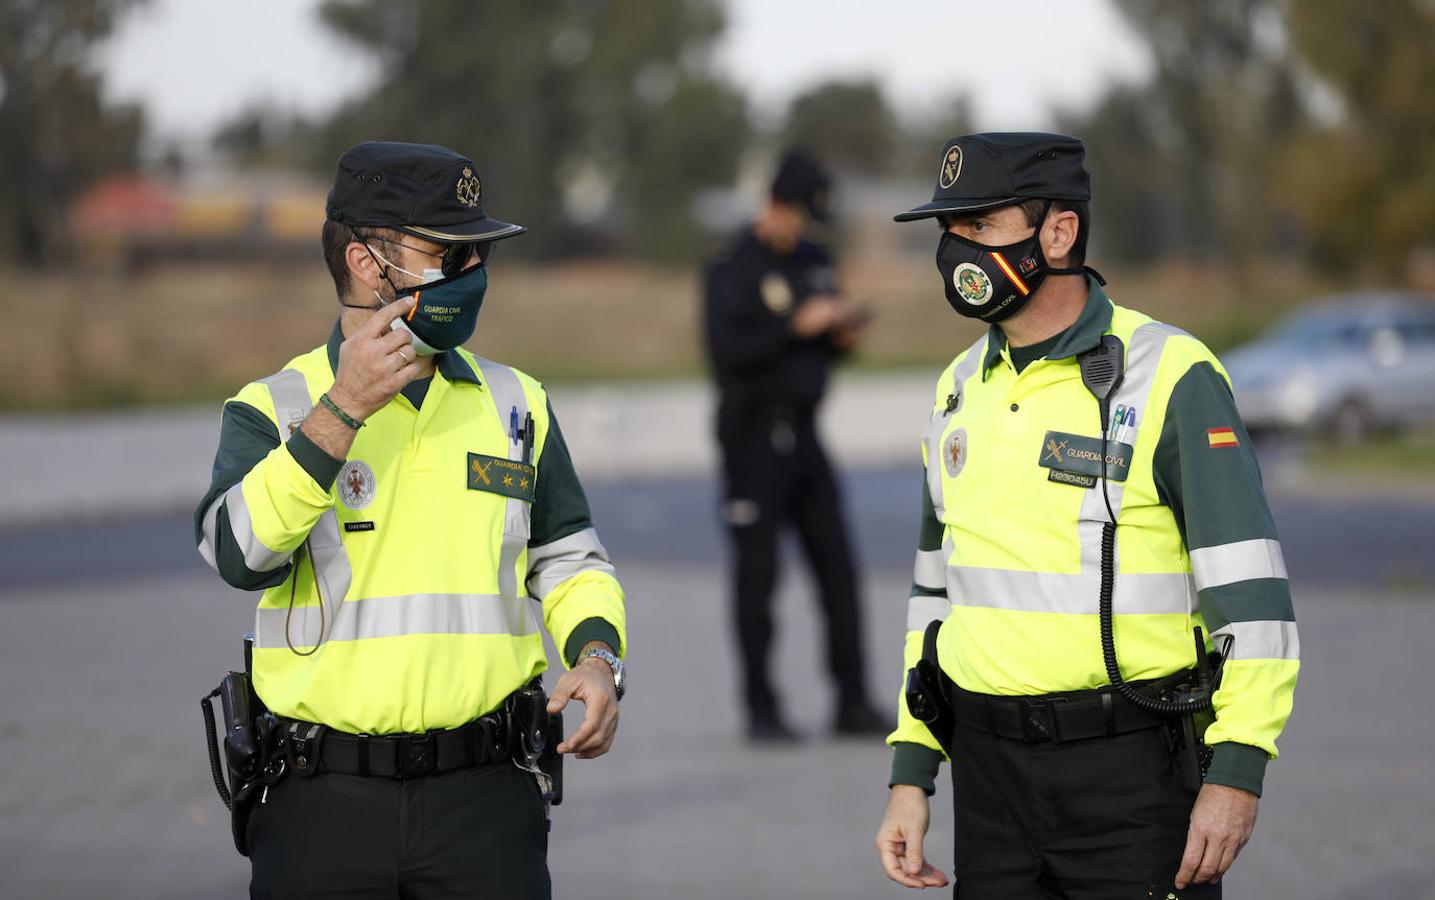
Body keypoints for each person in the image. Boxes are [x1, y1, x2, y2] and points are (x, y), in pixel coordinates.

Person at [195, 141, 627, 899]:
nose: (473, 274)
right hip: (319, 805)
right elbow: (240, 556)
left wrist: (597, 659)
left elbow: (569, 559)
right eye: (448, 254)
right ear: (367, 262)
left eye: (477, 254)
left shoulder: (516, 404)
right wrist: (342, 413)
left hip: (486, 802)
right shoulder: (274, 406)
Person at [873, 133, 1299, 897]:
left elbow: (1252, 595)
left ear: (1058, 233)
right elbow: (934, 598)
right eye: (949, 230)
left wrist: (1236, 771)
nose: (956, 250)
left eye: (980, 226)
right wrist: (912, 770)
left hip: (1131, 779)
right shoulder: (955, 388)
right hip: (989, 779)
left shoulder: (1171, 374)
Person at [701, 150, 890, 742]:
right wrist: (794, 328)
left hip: (806, 436)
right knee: (757, 578)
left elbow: (821, 344)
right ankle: (762, 707)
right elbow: (726, 355)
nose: (807, 229)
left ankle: (852, 700)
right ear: (776, 205)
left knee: (839, 568)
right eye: (801, 215)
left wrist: (839, 335)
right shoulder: (733, 264)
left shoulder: (814, 258)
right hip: (752, 436)